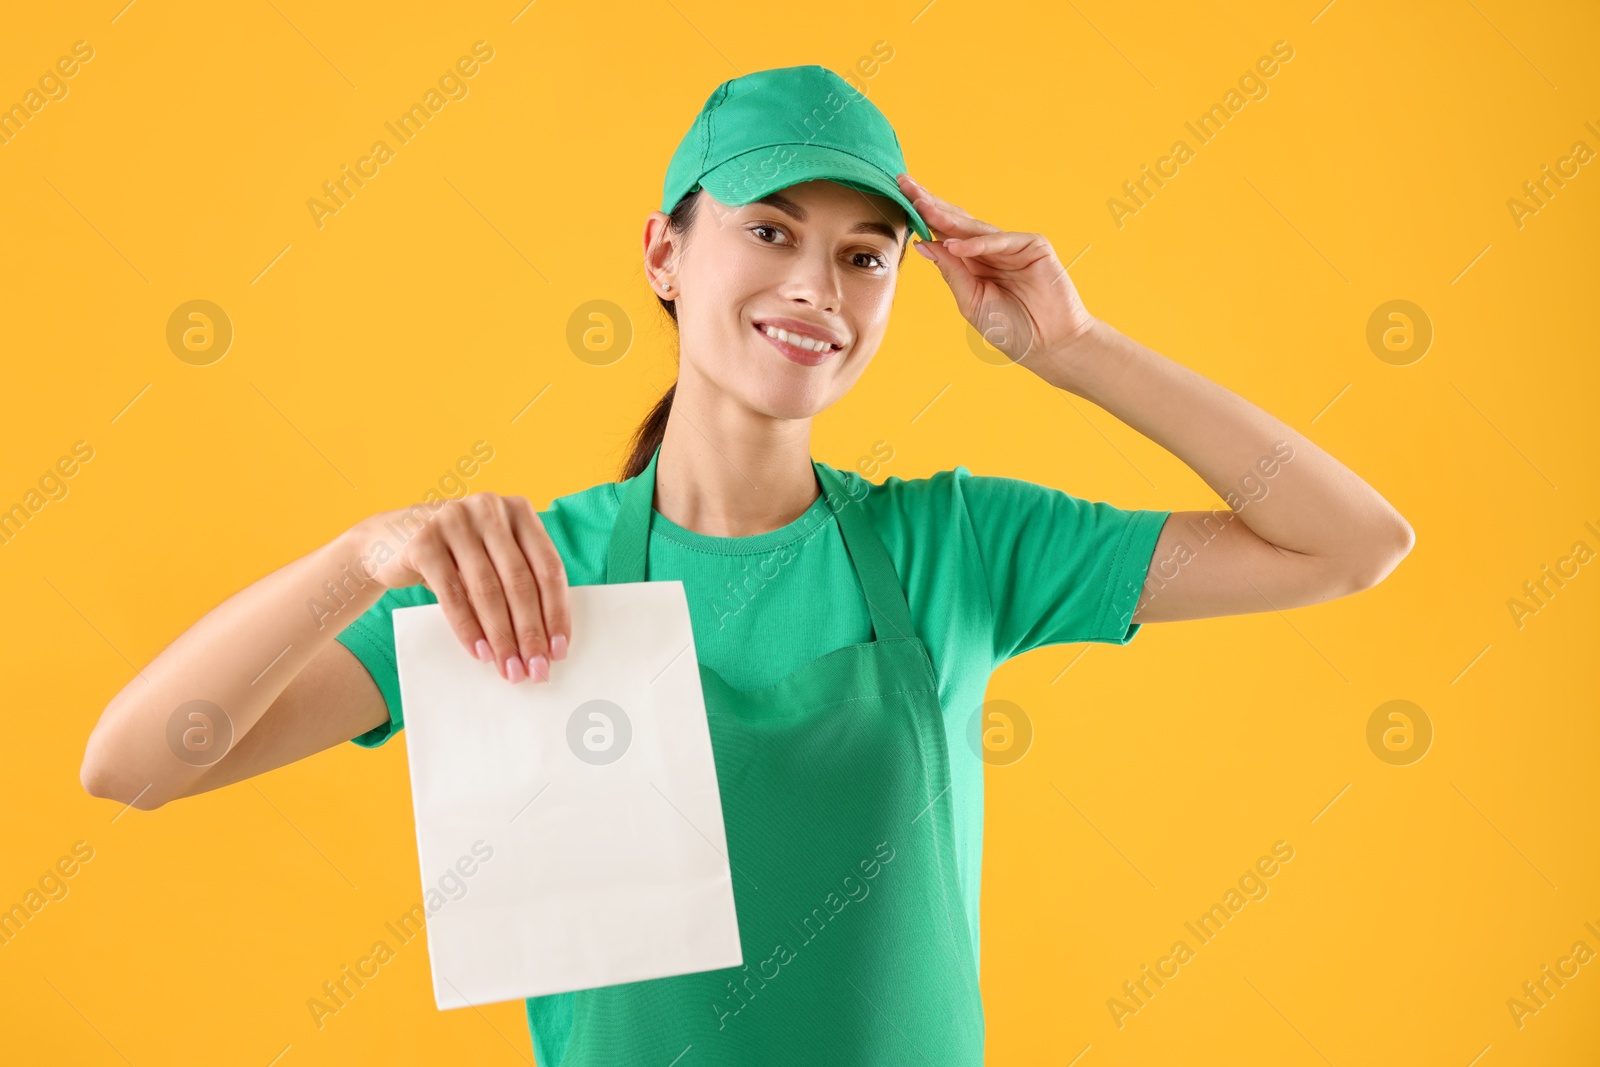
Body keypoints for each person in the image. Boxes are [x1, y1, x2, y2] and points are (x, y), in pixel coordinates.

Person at [80, 65, 1413, 1065]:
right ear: (665, 251)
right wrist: (361, 558)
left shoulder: (957, 546)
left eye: (862, 255)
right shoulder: (526, 576)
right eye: (769, 230)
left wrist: (1075, 349)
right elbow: (136, 764)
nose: (817, 288)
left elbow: (1350, 544)